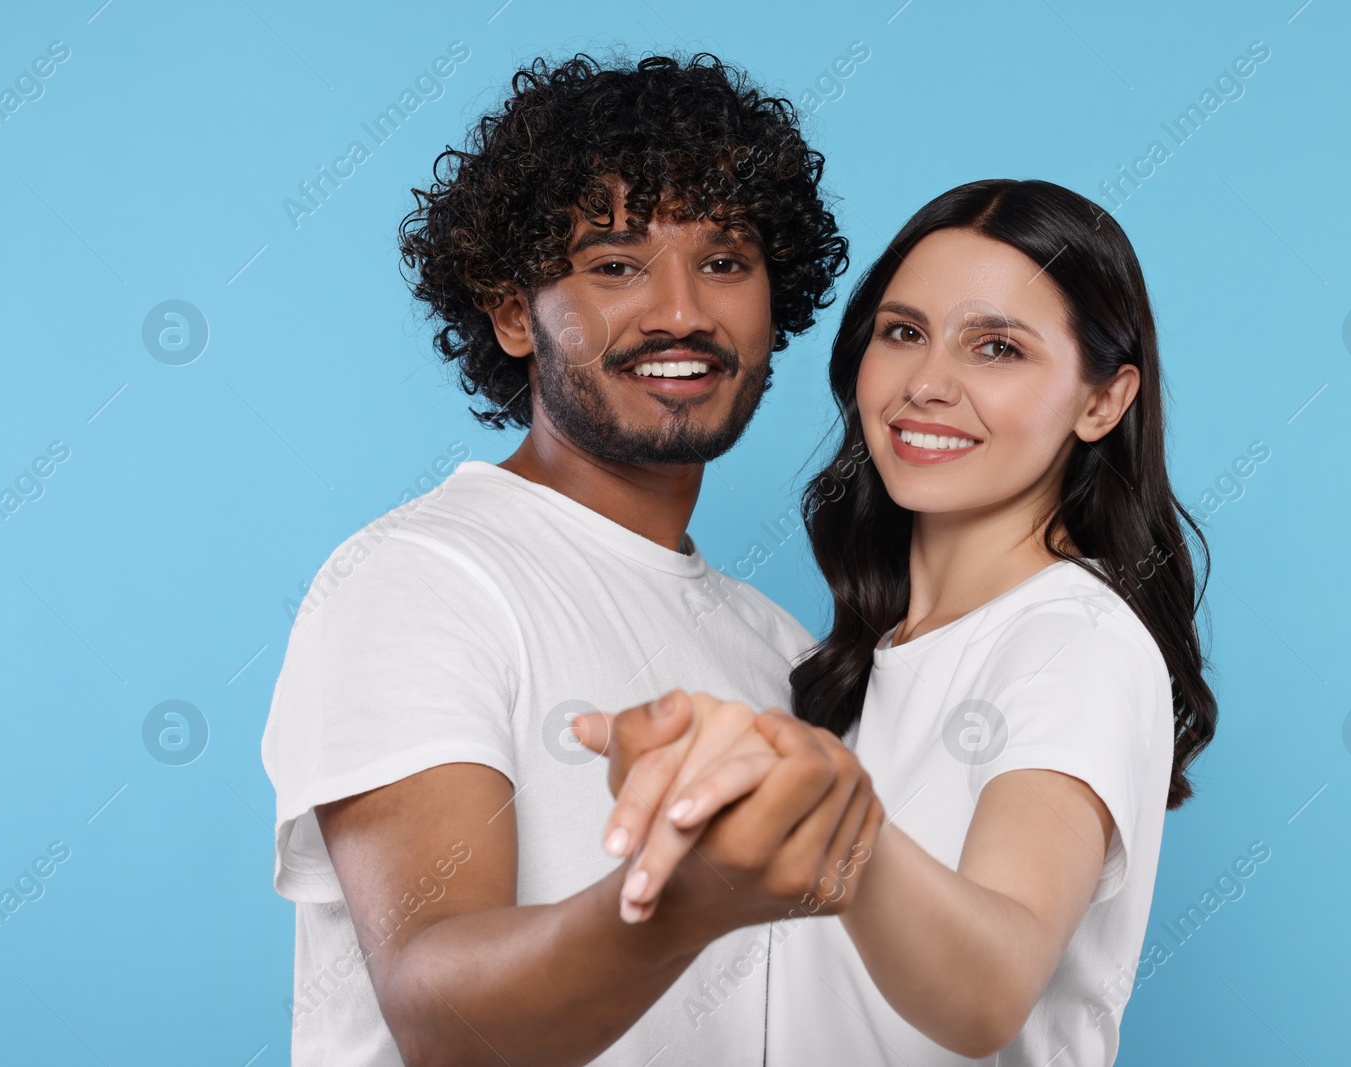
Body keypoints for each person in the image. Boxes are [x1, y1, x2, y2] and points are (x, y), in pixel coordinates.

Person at [260, 52, 884, 1067]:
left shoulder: (782, 650)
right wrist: (680, 901)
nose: (681, 310)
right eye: (615, 263)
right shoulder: (416, 579)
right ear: (515, 313)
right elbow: (437, 1010)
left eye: (724, 261)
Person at [583, 179, 1219, 1065]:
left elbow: (989, 988)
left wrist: (842, 824)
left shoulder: (1074, 639)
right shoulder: (857, 664)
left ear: (1102, 401)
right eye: (904, 332)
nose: (928, 383)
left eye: (996, 347)